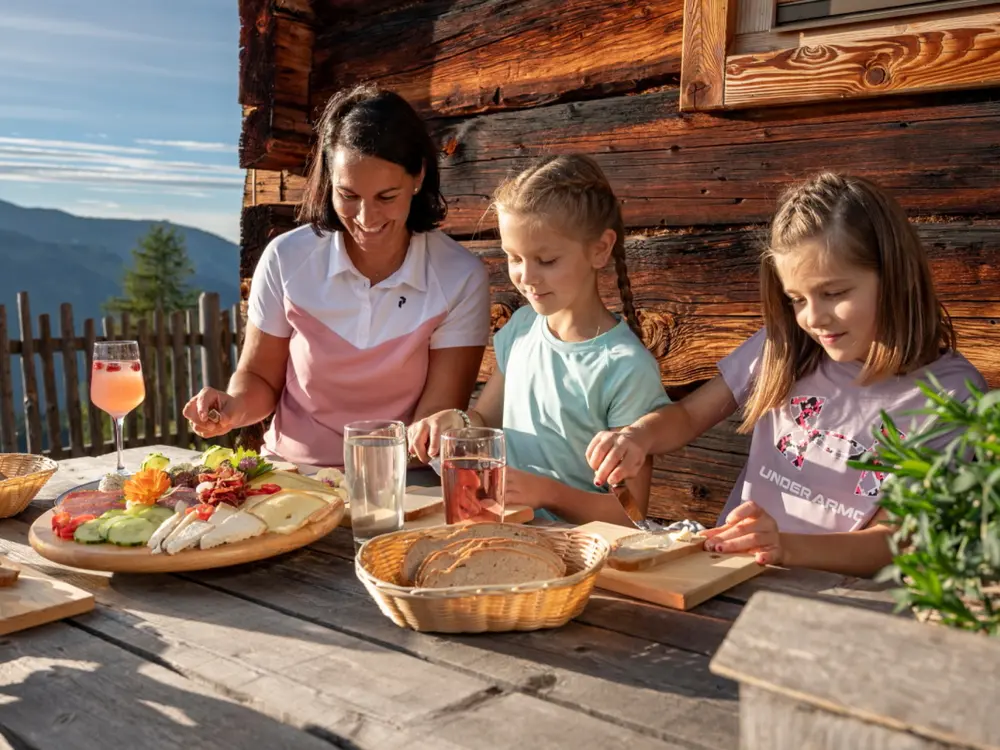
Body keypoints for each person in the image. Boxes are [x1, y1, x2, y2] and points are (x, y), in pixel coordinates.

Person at [586, 172, 987, 576]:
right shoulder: (784, 346)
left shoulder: (951, 393)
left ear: (894, 276)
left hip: (840, 603)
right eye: (797, 299)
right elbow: (688, 416)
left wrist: (784, 548)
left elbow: (895, 541)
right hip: (730, 576)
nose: (814, 318)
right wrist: (637, 436)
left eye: (834, 293)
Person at [183, 84, 490, 469]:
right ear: (329, 180)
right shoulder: (287, 258)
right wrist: (232, 407)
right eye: (348, 195)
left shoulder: (459, 277)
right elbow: (260, 378)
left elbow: (436, 420)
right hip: (292, 471)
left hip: (402, 484)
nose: (365, 217)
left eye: (386, 196)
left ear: (418, 177)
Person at [408, 154, 670, 525]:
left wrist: (549, 493)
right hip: (509, 538)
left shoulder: (624, 366)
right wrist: (455, 421)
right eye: (514, 257)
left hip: (582, 557)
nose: (526, 277)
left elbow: (629, 514)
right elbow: (485, 418)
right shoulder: (522, 327)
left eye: (546, 260)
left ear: (600, 249)